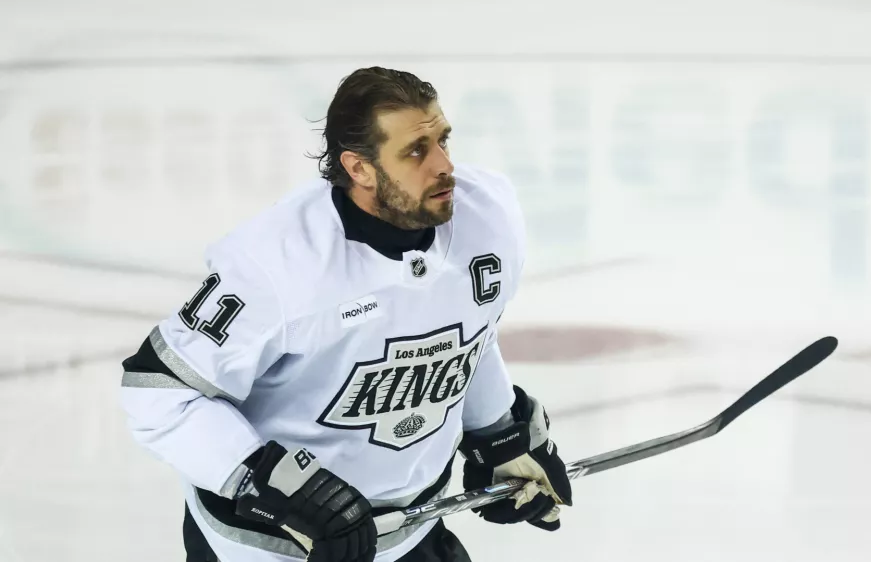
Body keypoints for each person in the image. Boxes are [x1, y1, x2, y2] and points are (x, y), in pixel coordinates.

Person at [119, 67, 573, 562]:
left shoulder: (488, 214)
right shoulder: (277, 263)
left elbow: (468, 331)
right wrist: (280, 486)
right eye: (416, 151)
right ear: (359, 168)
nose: (444, 165)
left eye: (443, 139)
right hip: (272, 551)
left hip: (413, 531)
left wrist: (497, 432)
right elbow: (159, 396)